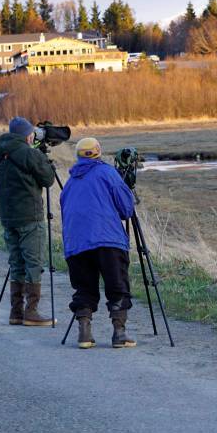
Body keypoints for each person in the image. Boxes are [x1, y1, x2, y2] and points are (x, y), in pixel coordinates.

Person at [60, 137, 137, 349]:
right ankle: (119, 333)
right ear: (98, 152)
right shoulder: (107, 173)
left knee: (84, 288)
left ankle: (84, 333)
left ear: (78, 156)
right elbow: (126, 210)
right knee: (117, 285)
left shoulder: (69, 183)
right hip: (107, 240)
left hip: (76, 245)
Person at [0, 117, 56, 326]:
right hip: (29, 216)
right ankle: (32, 311)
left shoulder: (0, 152)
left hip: (8, 216)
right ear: (27, 135)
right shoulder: (29, 153)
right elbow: (47, 180)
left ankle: (16, 312)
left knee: (16, 263)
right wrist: (43, 159)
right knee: (34, 263)